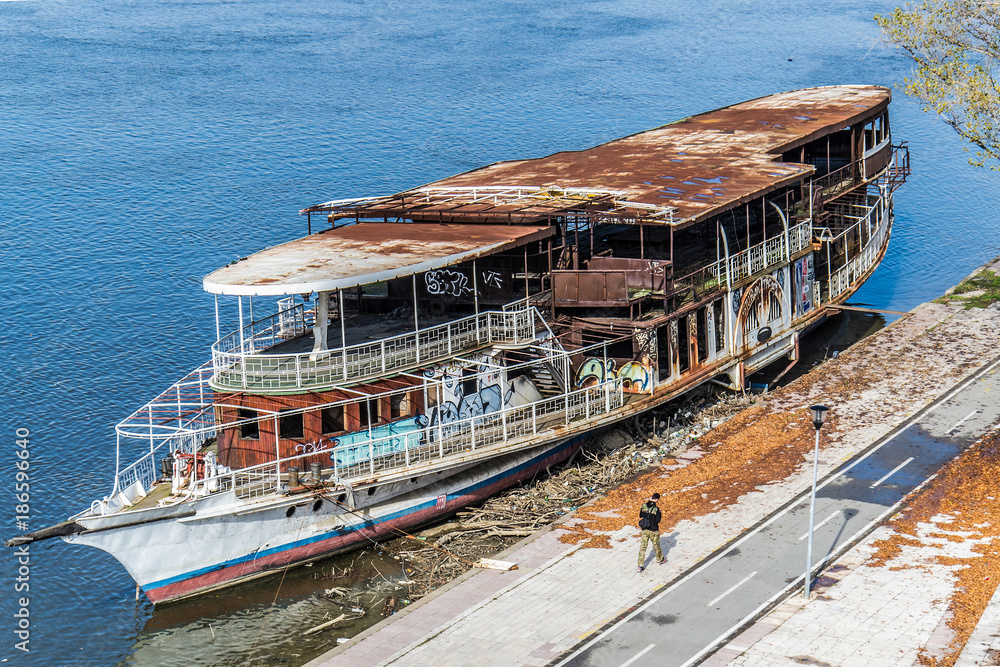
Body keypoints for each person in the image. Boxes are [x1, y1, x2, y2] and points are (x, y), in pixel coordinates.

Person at [637, 493, 666, 572]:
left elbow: (640, 515)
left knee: (643, 547)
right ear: (657, 499)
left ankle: (640, 565)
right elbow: (658, 520)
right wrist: (659, 513)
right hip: (653, 530)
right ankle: (660, 560)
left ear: (651, 498)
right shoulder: (656, 509)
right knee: (656, 546)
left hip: (645, 530)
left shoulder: (644, 505)